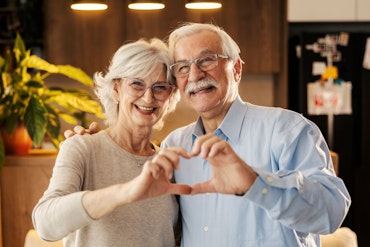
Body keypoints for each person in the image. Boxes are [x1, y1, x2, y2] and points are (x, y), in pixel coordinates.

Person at [69, 22, 351, 246]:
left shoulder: (286, 130)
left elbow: (331, 213)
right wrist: (92, 148)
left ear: (237, 69)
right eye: (182, 67)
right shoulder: (173, 146)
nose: (194, 74)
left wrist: (255, 184)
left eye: (207, 60)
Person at [32, 38, 191, 247]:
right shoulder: (82, 147)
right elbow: (45, 224)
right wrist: (125, 192)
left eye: (160, 87)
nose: (148, 97)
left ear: (170, 96)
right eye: (137, 84)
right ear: (116, 89)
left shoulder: (170, 161)